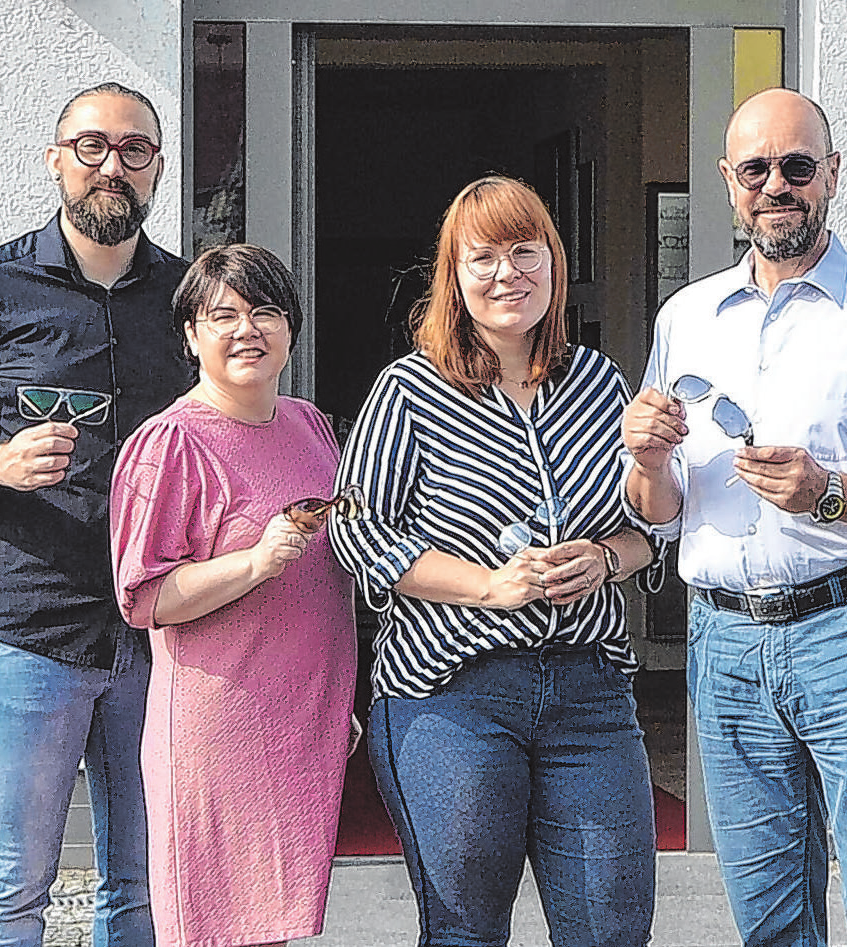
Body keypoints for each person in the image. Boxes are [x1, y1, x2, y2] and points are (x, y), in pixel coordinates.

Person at [620, 87, 847, 947]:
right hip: (726, 647)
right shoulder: (687, 318)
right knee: (767, 921)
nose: (776, 185)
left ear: (831, 174)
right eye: (756, 169)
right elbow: (663, 515)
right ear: (728, 181)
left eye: (796, 166)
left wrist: (831, 492)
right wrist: (643, 459)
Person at [330, 175, 660, 947]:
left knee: (612, 930)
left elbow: (649, 527)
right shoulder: (408, 390)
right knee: (464, 932)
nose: (507, 272)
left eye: (524, 250)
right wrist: (485, 585)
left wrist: (605, 559)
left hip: (589, 692)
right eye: (483, 257)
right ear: (454, 276)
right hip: (452, 697)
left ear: (553, 261)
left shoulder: (598, 382)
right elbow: (355, 531)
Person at [0, 82, 186, 947]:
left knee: (145, 886)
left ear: (158, 170)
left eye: (134, 150)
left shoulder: (188, 298)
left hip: (160, 632)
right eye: (91, 146)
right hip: (23, 633)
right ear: (56, 160)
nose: (112, 166)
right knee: (13, 888)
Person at [109, 244, 357, 946]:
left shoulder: (309, 425)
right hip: (219, 732)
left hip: (301, 722)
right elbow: (144, 596)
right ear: (191, 335)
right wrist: (253, 562)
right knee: (213, 927)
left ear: (290, 328)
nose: (247, 329)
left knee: (271, 925)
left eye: (266, 312)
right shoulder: (170, 443)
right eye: (223, 315)